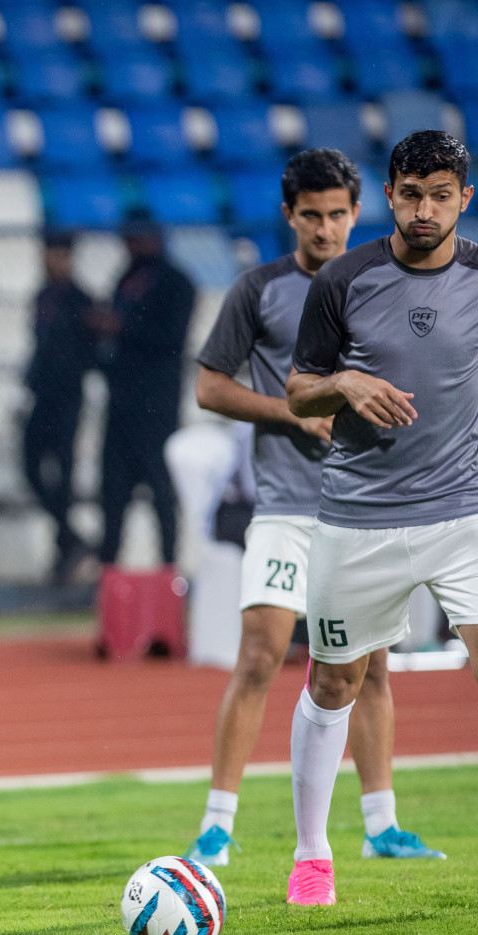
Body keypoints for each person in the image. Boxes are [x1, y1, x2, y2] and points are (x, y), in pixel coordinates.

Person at [188, 149, 440, 868]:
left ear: (358, 212)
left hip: (364, 510)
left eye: (337, 214)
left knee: (371, 669)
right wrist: (290, 413)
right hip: (287, 507)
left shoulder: (387, 287)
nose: (326, 229)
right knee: (262, 655)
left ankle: (382, 824)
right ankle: (217, 823)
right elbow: (209, 388)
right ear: (289, 215)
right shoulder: (259, 290)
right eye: (311, 215)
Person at [285, 129, 476, 905]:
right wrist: (349, 384)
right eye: (410, 193)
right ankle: (311, 856)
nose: (423, 209)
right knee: (336, 682)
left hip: (464, 514)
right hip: (358, 517)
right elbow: (299, 390)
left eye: (440, 195)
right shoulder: (344, 280)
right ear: (390, 196)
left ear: (464, 198)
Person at [99, 216, 195, 567]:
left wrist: (123, 329)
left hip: (156, 404)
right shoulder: (126, 278)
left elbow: (171, 339)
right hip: (121, 403)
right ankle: (108, 573)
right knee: (113, 491)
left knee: (161, 490)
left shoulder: (176, 283)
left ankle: (169, 568)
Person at [22, 231, 98, 584]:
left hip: (67, 397)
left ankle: (65, 547)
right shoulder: (43, 297)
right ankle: (69, 538)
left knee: (63, 474)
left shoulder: (80, 300)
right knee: (31, 467)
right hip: (42, 395)